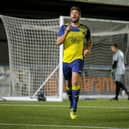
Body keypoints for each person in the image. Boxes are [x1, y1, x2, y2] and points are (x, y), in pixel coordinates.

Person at [56, 6, 92, 119]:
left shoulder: (85, 29)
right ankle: (71, 103)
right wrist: (66, 32)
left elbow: (90, 42)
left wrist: (87, 49)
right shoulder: (64, 27)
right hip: (66, 60)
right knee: (68, 85)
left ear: (79, 15)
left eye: (76, 13)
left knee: (75, 81)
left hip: (78, 59)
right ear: (70, 16)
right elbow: (58, 42)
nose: (74, 15)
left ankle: (74, 108)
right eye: (72, 13)